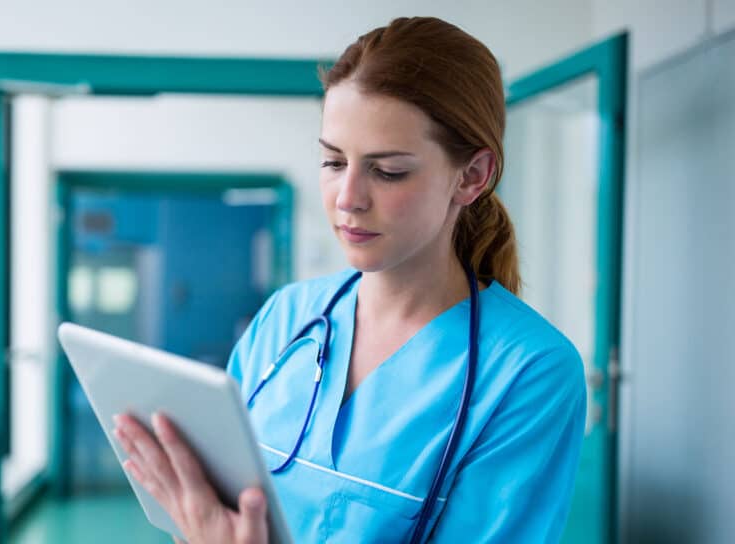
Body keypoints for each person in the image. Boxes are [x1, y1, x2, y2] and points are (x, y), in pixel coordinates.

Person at [112, 16, 586, 543]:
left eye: (387, 171)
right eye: (333, 161)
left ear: (472, 176)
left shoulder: (528, 372)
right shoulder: (286, 318)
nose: (348, 198)